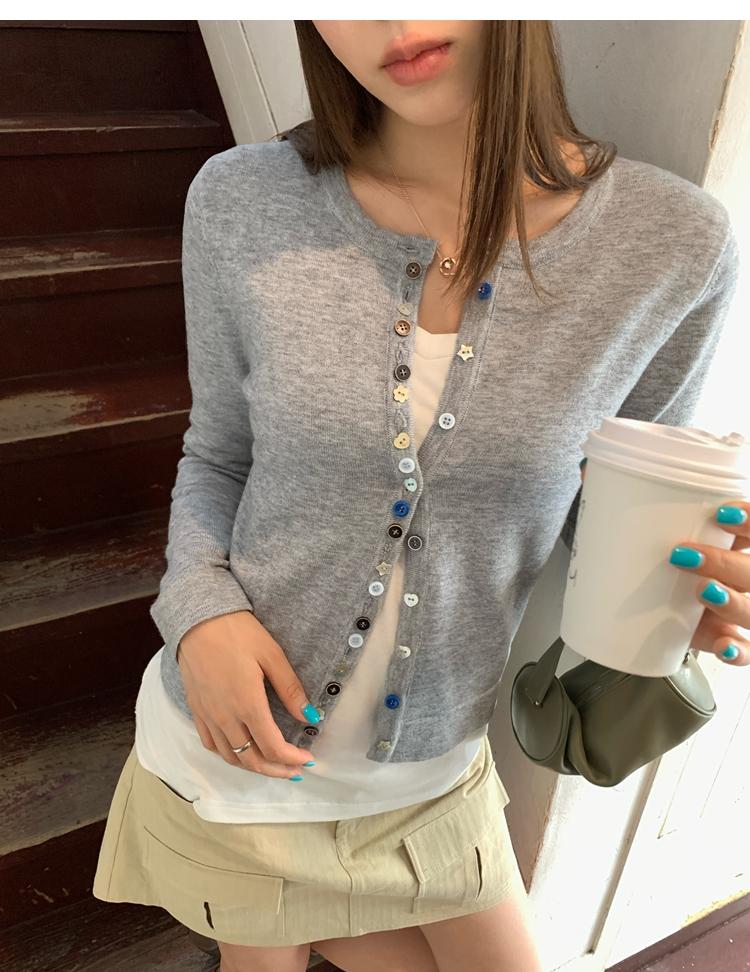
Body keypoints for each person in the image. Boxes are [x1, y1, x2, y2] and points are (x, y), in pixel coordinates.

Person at [92, 20, 744, 972]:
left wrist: (680, 589)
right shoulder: (242, 198)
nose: (390, 21)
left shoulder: (673, 245)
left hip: (433, 771)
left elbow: (613, 519)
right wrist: (198, 613)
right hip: (233, 750)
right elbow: (217, 454)